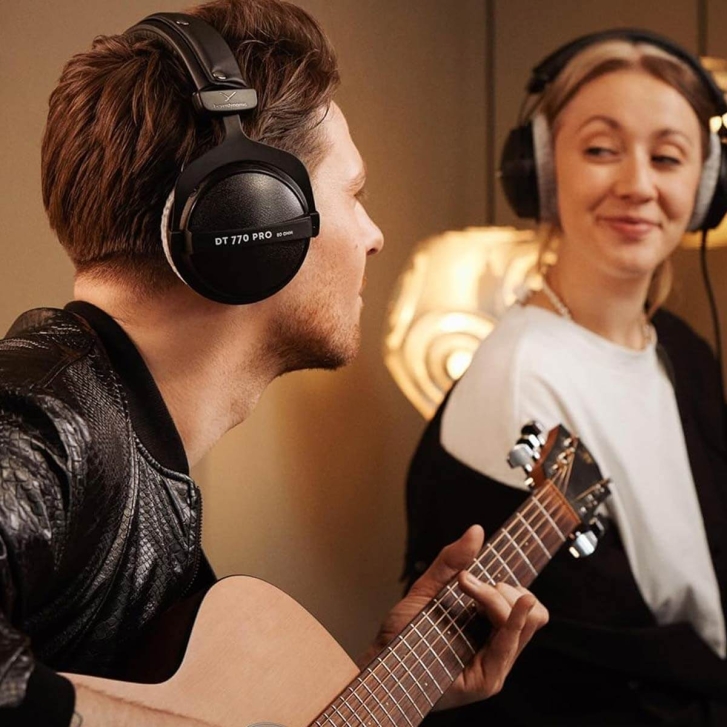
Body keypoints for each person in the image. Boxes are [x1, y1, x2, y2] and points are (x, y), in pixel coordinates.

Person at [0, 1, 549, 725]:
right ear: (253, 220)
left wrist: (365, 691)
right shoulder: (43, 422)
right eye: (353, 193)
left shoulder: (128, 448)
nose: (374, 235)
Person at [404, 29, 727, 727]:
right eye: (601, 150)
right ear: (542, 171)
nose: (637, 185)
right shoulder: (523, 377)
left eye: (667, 157)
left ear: (706, 185)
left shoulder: (682, 352)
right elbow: (588, 672)